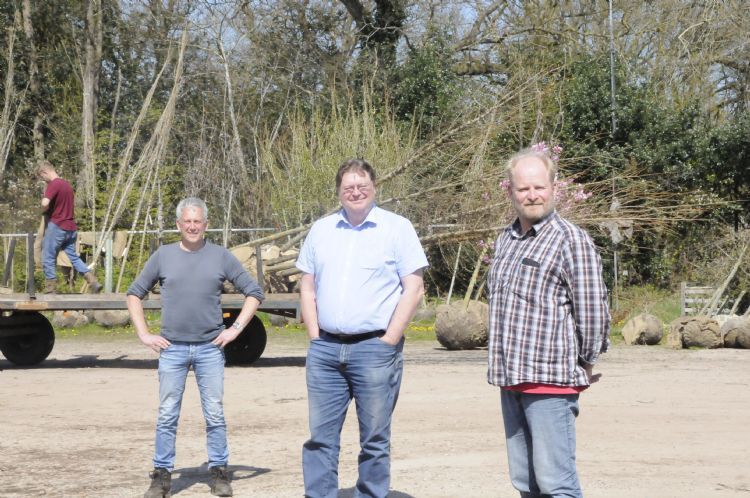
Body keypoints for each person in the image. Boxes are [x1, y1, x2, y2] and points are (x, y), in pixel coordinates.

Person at [296, 158, 428, 498]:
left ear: (374, 188)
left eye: (361, 186)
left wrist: (389, 340)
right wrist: (314, 337)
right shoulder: (321, 230)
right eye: (348, 187)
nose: (355, 192)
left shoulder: (397, 228)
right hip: (325, 349)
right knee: (320, 439)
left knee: (374, 439)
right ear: (339, 192)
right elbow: (307, 286)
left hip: (374, 349)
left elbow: (413, 288)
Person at [487, 148, 610, 498]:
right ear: (510, 191)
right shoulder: (505, 240)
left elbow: (593, 312)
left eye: (539, 187)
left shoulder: (571, 240)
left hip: (550, 383)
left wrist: (586, 362)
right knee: (526, 483)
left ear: (554, 188)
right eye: (523, 189)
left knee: (557, 483)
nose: (532, 195)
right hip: (510, 379)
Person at [127, 197, 264, 498]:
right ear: (178, 224)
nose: (192, 226)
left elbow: (254, 293)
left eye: (197, 221)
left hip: (209, 349)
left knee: (214, 413)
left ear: (205, 224)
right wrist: (144, 334)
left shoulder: (220, 256)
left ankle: (218, 472)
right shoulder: (163, 256)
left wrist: (236, 329)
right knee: (167, 414)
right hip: (172, 349)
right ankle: (162, 476)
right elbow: (134, 294)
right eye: (187, 221)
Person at [37, 159, 102, 293]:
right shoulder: (67, 185)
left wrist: (43, 208)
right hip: (70, 228)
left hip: (57, 226)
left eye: (42, 177)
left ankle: (51, 289)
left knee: (47, 256)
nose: (44, 180)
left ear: (44, 172)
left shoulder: (54, 184)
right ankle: (92, 281)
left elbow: (45, 203)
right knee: (73, 257)